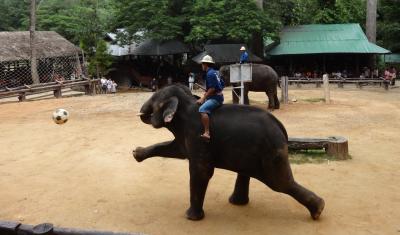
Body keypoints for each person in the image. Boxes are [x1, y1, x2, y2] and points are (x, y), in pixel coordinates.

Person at [197, 55, 224, 140]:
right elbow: (221, 85)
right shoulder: (216, 72)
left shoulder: (209, 74)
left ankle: (207, 132)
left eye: (202, 64)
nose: (202, 66)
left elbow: (212, 88)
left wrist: (203, 98)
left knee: (202, 109)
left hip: (215, 98)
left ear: (205, 64)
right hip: (218, 95)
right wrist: (210, 90)